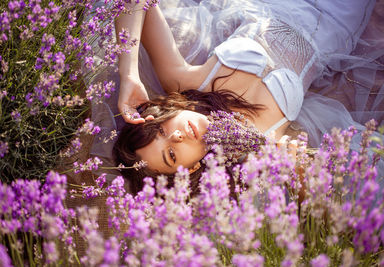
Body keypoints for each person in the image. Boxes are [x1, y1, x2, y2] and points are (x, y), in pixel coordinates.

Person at [88, 0, 384, 194]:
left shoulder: (183, 80)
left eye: (162, 129)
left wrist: (129, 74)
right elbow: (339, 184)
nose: (176, 136)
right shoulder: (260, 150)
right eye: (171, 154)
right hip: (337, 18)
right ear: (189, 169)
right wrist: (297, 166)